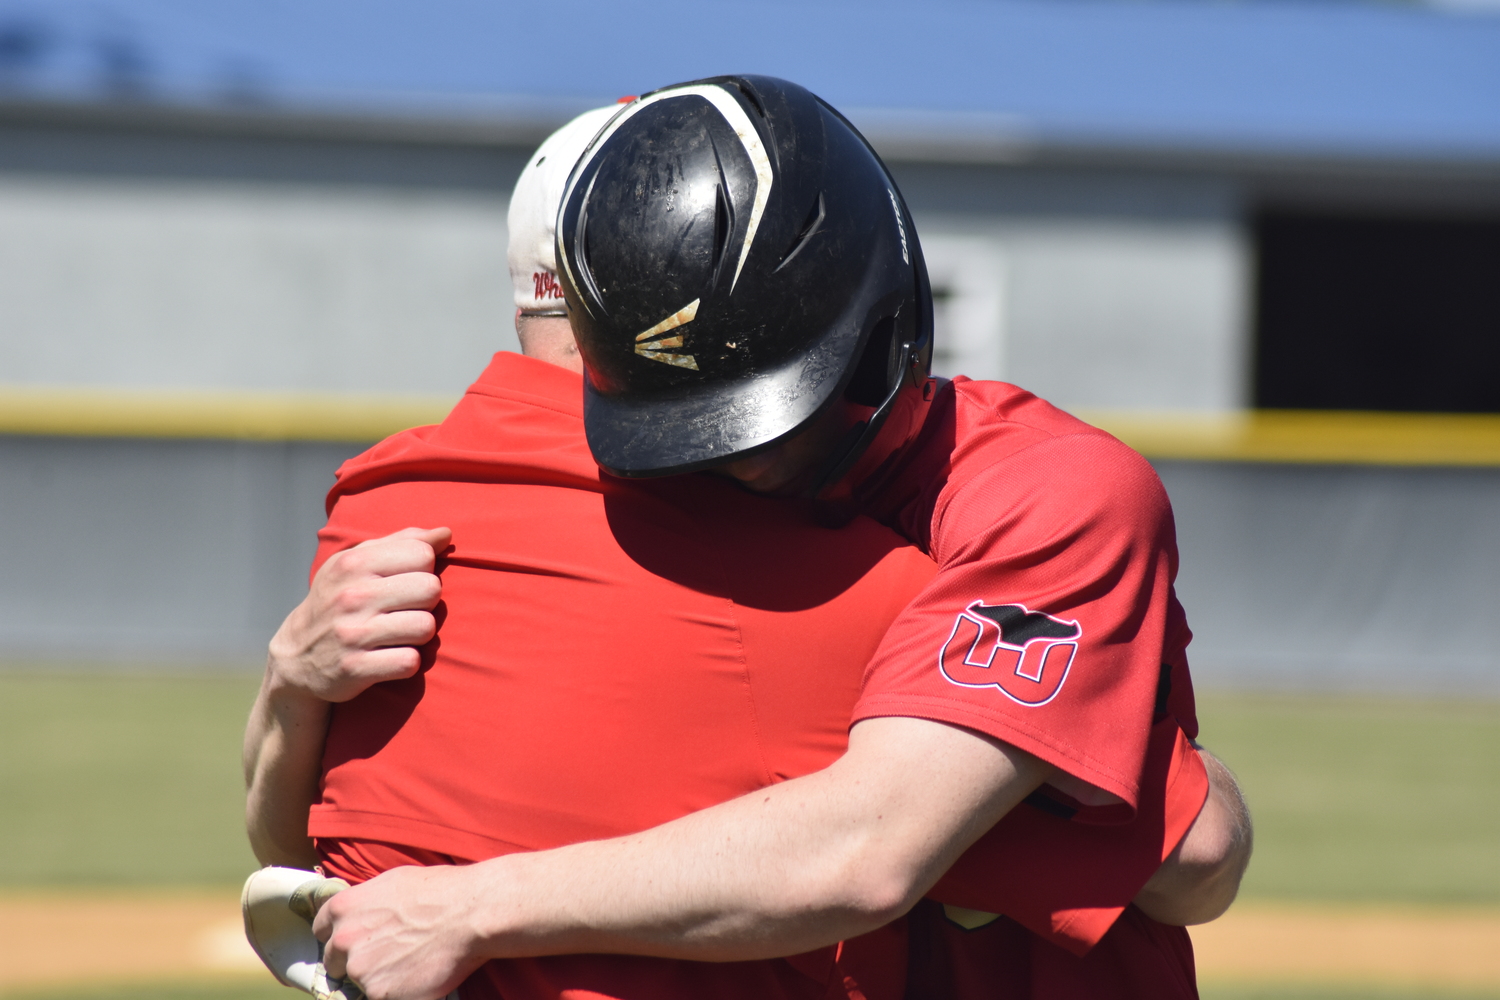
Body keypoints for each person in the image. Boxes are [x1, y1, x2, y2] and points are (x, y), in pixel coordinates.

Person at [254, 82, 1250, 1000]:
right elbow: (304, 846)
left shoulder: (1044, 492)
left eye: (774, 410)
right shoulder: (593, 518)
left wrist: (471, 905)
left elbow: (1189, 854)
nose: (745, 464)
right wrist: (290, 688)